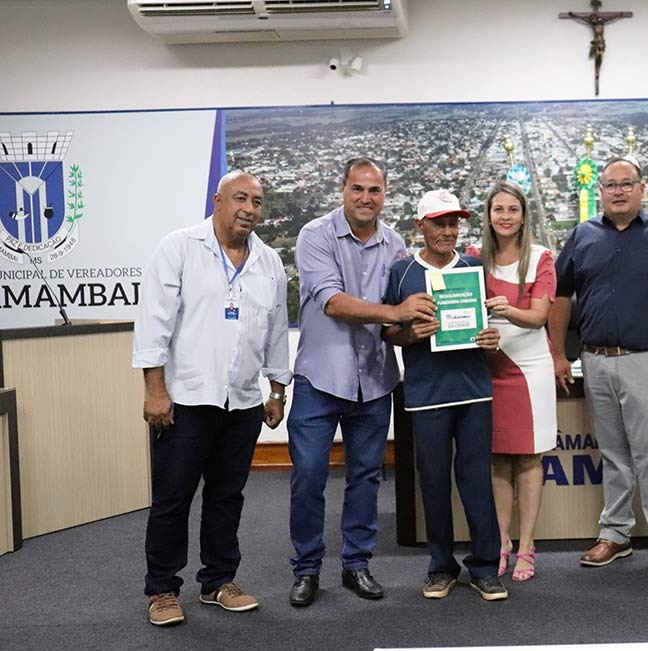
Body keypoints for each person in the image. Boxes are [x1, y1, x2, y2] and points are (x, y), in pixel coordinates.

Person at [133, 170, 291, 626]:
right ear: (218, 200)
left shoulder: (269, 262)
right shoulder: (179, 247)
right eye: (241, 198)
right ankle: (162, 588)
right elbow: (153, 323)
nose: (250, 209)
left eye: (258, 202)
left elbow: (275, 330)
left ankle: (219, 581)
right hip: (184, 398)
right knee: (173, 497)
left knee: (227, 497)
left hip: (241, 402)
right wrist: (154, 389)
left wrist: (277, 389)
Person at [287, 157, 435, 607]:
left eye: (374, 191)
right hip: (321, 379)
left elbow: (394, 327)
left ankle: (357, 564)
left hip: (374, 380)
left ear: (384, 194)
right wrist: (397, 313)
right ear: (343, 189)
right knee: (309, 476)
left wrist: (420, 328)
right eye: (358, 189)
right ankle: (307, 569)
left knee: (366, 478)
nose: (366, 198)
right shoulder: (314, 236)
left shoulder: (395, 246)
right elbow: (332, 301)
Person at [550, 157, 648, 577]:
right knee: (613, 454)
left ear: (642, 188)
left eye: (626, 183)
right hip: (595, 362)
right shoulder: (582, 235)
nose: (617, 191)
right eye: (610, 185)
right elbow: (560, 297)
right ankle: (614, 534)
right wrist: (559, 354)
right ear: (600, 190)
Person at [383, 189, 507, 601]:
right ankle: (440, 567)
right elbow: (388, 330)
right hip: (426, 394)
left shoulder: (473, 266)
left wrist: (492, 338)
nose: (448, 231)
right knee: (433, 483)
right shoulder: (401, 273)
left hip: (473, 391)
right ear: (420, 227)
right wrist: (409, 334)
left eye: (454, 223)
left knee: (476, 482)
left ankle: (486, 567)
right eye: (439, 223)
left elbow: (484, 323)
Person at [468, 182, 556, 582]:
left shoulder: (541, 258)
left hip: (529, 368)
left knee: (528, 457)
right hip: (489, 368)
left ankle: (526, 545)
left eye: (512, 210)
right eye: (498, 209)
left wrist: (508, 311)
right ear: (488, 215)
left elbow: (539, 317)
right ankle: (501, 542)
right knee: (498, 457)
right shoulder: (471, 258)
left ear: (524, 216)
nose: (505, 216)